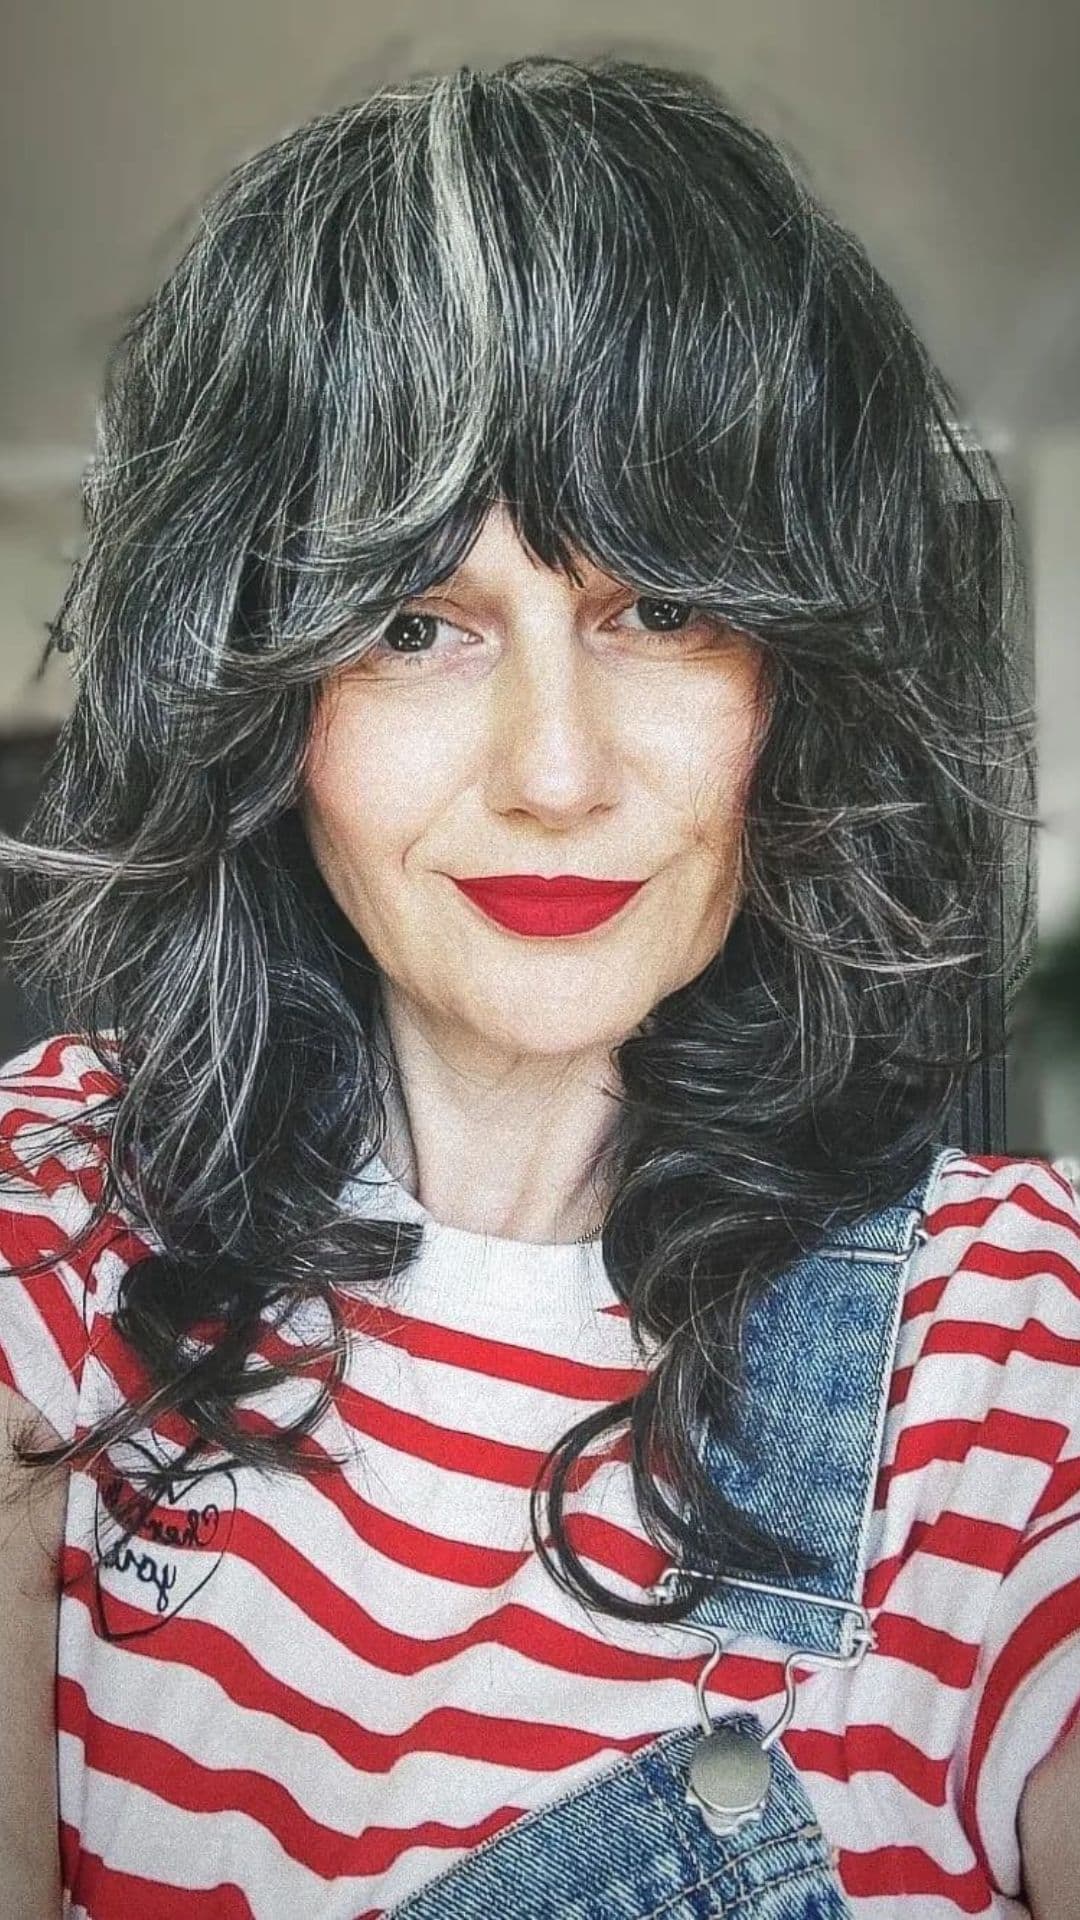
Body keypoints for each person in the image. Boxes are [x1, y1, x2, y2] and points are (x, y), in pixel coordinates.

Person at [0, 50, 1076, 1920]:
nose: (557, 773)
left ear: (792, 682)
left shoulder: (1013, 1343)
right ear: (264, 699)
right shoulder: (54, 1213)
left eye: (663, 607)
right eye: (415, 624)